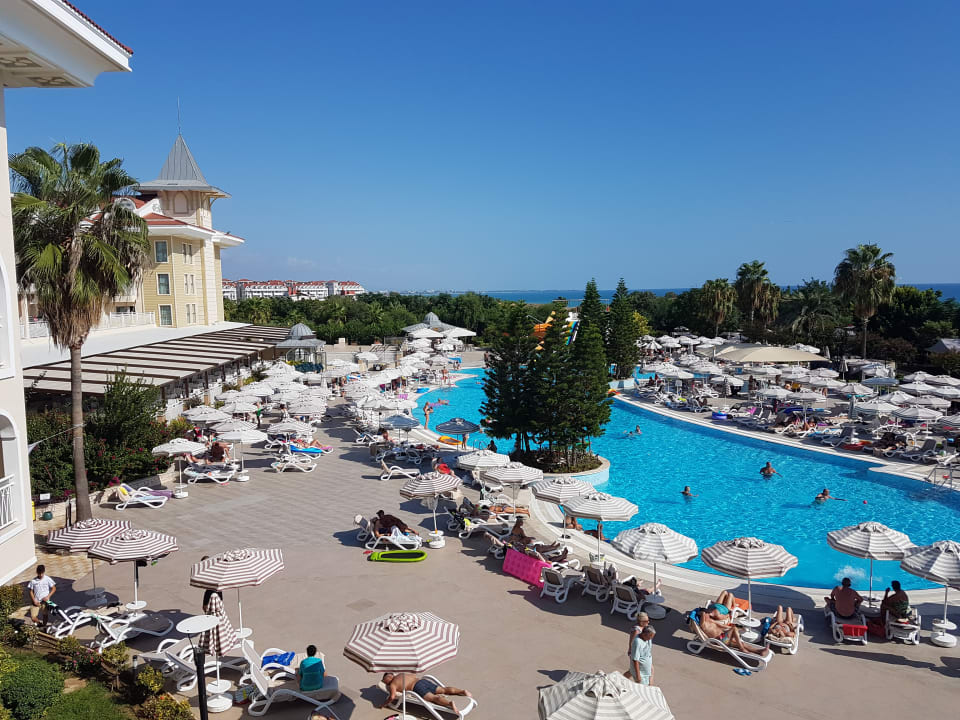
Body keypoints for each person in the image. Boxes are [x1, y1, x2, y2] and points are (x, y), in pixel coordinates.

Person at [379, 673, 472, 714]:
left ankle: (449, 703)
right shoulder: (402, 674)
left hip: (417, 687)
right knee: (443, 689)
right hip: (423, 681)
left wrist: (384, 704)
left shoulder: (393, 684)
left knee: (433, 698)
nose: (385, 682)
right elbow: (414, 675)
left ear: (389, 677)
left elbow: (392, 697)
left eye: (384, 680)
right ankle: (462, 691)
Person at [626, 620, 656, 685]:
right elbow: (635, 660)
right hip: (641, 671)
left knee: (630, 672)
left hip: (647, 667)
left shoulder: (647, 639)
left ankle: (620, 680)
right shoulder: (637, 643)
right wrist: (638, 675)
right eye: (650, 637)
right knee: (644, 687)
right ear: (644, 634)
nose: (650, 639)